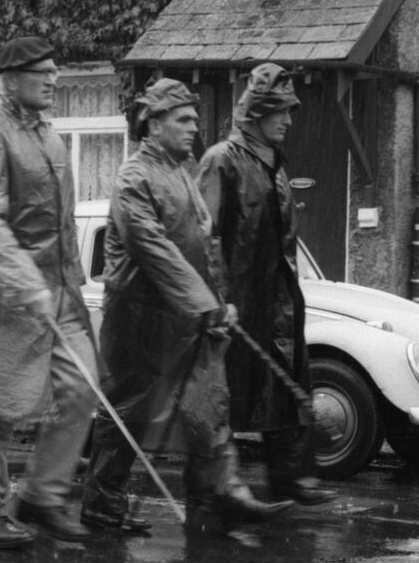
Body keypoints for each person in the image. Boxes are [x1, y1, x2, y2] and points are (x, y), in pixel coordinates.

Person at [79, 78, 294, 534]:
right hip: (137, 320)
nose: (194, 128)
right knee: (128, 414)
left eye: (195, 120)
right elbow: (154, 249)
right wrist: (204, 303)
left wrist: (220, 300)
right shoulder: (133, 178)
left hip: (186, 317)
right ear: (154, 125)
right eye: (183, 120)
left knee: (208, 402)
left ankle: (223, 495)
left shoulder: (184, 170)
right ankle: (102, 503)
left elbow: (207, 242)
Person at [0, 36, 98, 548]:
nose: (53, 79)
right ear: (10, 79)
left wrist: (69, 282)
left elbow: (60, 221)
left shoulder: (50, 137)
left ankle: (42, 494)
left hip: (56, 290)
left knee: (82, 389)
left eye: (55, 71)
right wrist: (25, 283)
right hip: (1, 293)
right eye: (43, 72)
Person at [198, 63, 336, 506]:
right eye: (281, 111)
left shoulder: (275, 163)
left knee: (287, 379)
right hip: (239, 297)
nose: (289, 121)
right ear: (257, 112)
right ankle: (216, 491)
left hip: (277, 294)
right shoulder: (222, 160)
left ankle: (293, 478)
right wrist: (219, 298)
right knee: (224, 395)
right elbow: (206, 234)